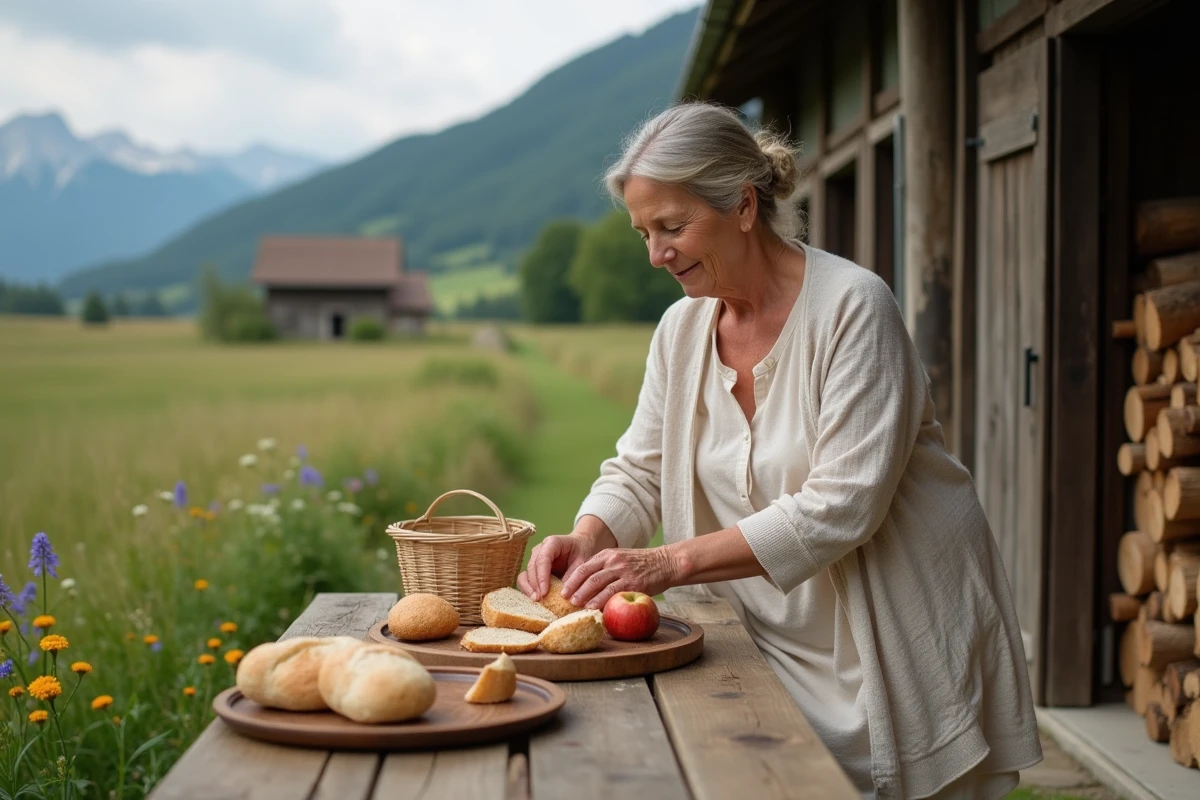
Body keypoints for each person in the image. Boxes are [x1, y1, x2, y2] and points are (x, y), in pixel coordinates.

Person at [517, 102, 1042, 800]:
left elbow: (841, 507)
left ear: (741, 206)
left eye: (673, 227)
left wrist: (667, 560)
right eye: (644, 233)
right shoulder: (680, 331)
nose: (656, 254)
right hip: (753, 642)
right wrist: (589, 536)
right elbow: (639, 468)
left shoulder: (854, 307)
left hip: (886, 636)